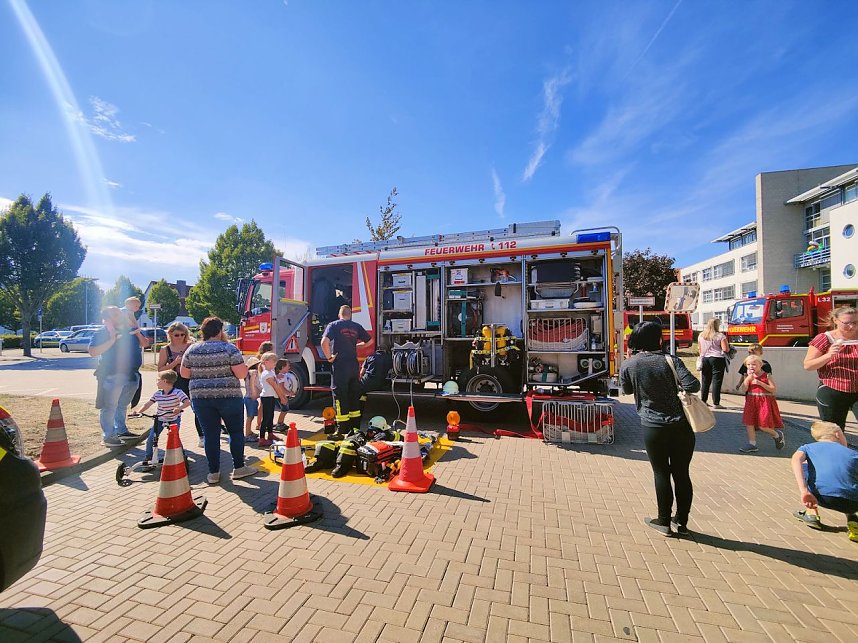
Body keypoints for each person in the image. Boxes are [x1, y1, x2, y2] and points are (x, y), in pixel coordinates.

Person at [620, 321, 701, 536]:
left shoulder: (630, 364)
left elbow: (626, 390)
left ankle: (663, 520)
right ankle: (681, 522)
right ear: (659, 339)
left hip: (653, 426)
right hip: (682, 426)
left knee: (661, 473)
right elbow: (694, 386)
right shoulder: (671, 360)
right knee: (682, 473)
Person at [180, 316, 255, 483]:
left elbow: (184, 374)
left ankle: (213, 473)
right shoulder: (229, 348)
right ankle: (239, 468)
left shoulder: (192, 350)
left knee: (210, 435)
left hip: (201, 398)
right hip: (229, 397)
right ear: (220, 331)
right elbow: (242, 374)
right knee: (235, 432)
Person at [89, 306, 151, 448]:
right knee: (109, 406)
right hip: (113, 375)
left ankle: (121, 431)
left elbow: (145, 344)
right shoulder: (101, 333)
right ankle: (109, 436)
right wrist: (112, 339)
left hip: (132, 375)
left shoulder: (130, 330)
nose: (121, 315)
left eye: (120, 312)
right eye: (115, 313)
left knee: (122, 405)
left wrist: (136, 330)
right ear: (107, 319)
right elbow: (93, 352)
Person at [791, 421, 858, 542]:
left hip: (821, 497)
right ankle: (853, 518)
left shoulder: (808, 447)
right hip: (853, 501)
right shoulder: (854, 454)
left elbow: (796, 460)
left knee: (806, 467)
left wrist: (804, 491)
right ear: (837, 434)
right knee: (849, 475)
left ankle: (811, 512)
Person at [803, 306, 858, 429]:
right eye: (846, 323)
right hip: (833, 390)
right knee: (834, 432)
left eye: (855, 322)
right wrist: (829, 355)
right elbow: (808, 365)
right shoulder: (825, 338)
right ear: (835, 321)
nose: (851, 327)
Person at [321, 305, 370, 436]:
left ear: (339, 314)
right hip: (353, 366)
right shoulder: (356, 326)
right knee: (354, 395)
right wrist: (356, 345)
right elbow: (370, 341)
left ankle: (342, 429)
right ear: (350, 315)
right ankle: (355, 428)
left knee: (340, 396)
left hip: (340, 366)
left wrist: (329, 357)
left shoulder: (334, 325)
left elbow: (324, 342)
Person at [157, 322, 204, 448]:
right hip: (175, 381)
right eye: (176, 335)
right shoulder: (165, 349)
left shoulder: (191, 346)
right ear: (170, 334)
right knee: (171, 410)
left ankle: (202, 436)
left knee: (197, 408)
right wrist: (174, 363)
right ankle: (173, 438)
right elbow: (160, 369)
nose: (180, 337)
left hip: (190, 379)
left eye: (183, 334)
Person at [133, 370, 190, 471]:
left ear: (164, 381)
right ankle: (149, 458)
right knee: (151, 438)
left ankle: (182, 456)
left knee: (174, 438)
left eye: (158, 380)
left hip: (173, 419)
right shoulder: (158, 393)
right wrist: (138, 411)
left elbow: (187, 402)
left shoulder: (177, 392)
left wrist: (179, 408)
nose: (156, 382)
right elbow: (148, 404)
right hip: (160, 419)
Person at [738, 354, 785, 453]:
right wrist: (748, 378)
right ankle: (752, 444)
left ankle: (777, 435)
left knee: (763, 425)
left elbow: (773, 389)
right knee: (749, 423)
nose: (751, 366)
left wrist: (760, 383)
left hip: (764, 402)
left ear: (760, 365)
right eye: (749, 364)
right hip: (751, 401)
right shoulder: (749, 377)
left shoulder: (766, 375)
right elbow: (744, 389)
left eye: (754, 364)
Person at [257, 352, 289, 448]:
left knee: (270, 416)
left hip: (271, 397)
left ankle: (270, 434)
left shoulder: (271, 372)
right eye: (273, 361)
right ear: (266, 362)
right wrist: (282, 398)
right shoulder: (266, 374)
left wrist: (282, 396)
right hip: (266, 397)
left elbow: (277, 385)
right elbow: (275, 386)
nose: (275, 363)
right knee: (266, 418)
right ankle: (262, 438)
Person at [698, 318, 730, 409]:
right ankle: (716, 403)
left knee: (705, 381)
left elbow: (700, 349)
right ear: (717, 325)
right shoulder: (720, 336)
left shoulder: (701, 335)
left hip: (705, 358)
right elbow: (725, 349)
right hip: (717, 358)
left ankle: (703, 401)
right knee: (717, 381)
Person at [274, 359, 297, 430]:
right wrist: (289, 393)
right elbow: (281, 387)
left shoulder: (281, 375)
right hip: (281, 396)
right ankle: (279, 423)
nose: (289, 367)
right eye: (288, 366)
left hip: (281, 396)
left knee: (285, 410)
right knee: (284, 410)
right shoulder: (282, 376)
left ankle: (281, 423)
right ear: (283, 367)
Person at [242, 355, 261, 443]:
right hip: (251, 398)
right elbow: (253, 384)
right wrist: (254, 393)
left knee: (251, 416)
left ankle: (249, 432)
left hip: (248, 397)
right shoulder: (254, 373)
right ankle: (247, 434)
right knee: (250, 417)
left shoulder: (248, 373)